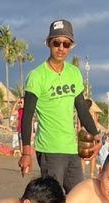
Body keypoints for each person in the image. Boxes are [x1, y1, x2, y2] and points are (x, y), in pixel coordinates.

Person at [19, 19, 101, 193]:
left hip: (71, 149)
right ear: (49, 43)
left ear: (71, 46)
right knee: (52, 202)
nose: (61, 48)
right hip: (49, 150)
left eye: (66, 43)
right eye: (56, 43)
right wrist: (26, 152)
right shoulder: (37, 76)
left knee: (78, 199)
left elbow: (81, 109)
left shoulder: (74, 73)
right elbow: (27, 116)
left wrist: (96, 135)